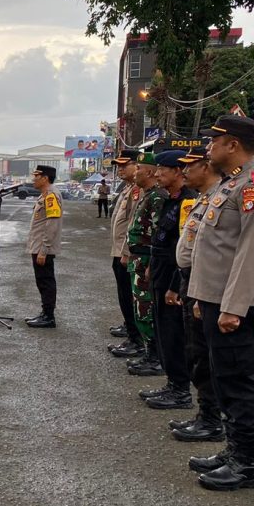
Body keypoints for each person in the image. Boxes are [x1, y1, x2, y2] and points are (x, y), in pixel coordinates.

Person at [186, 114, 254, 490]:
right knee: (222, 377)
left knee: (239, 381)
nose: (208, 147)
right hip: (217, 299)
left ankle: (246, 463)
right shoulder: (232, 184)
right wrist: (202, 298)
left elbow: (251, 252)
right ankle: (232, 448)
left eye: (213, 141)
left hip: (239, 302)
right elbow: (212, 248)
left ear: (233, 145)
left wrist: (232, 307)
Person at [169, 145, 225, 442]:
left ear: (206, 166)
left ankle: (212, 420)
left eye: (190, 166)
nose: (185, 171)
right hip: (190, 279)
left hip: (204, 282)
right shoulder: (204, 198)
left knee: (204, 354)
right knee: (195, 351)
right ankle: (205, 415)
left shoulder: (221, 196)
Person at [142, 150, 197, 410]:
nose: (158, 173)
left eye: (163, 169)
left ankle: (181, 390)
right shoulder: (169, 200)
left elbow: (184, 247)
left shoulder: (188, 201)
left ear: (178, 171)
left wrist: (175, 284)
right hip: (161, 269)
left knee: (174, 333)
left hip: (174, 274)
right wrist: (152, 267)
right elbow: (161, 239)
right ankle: (171, 383)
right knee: (163, 330)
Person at [124, 152, 165, 376]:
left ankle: (156, 357)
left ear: (149, 171)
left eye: (139, 168)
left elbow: (159, 233)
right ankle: (150, 352)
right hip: (138, 258)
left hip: (147, 258)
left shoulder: (158, 196)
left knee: (146, 309)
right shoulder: (147, 194)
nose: (135, 171)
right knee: (140, 308)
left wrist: (153, 262)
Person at [107, 151, 143, 357]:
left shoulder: (138, 190)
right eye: (118, 165)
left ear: (137, 165)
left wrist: (126, 251)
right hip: (119, 250)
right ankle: (129, 328)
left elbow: (134, 224)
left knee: (129, 296)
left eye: (124, 165)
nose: (120, 169)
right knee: (124, 295)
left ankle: (135, 338)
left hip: (125, 252)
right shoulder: (128, 188)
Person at [25, 164, 62, 328]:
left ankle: (48, 316)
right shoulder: (45, 195)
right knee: (42, 280)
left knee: (46, 281)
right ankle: (45, 313)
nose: (34, 179)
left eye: (37, 176)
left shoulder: (51, 195)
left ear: (45, 178)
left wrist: (44, 249)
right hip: (39, 246)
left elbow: (52, 223)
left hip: (43, 248)